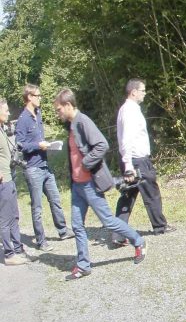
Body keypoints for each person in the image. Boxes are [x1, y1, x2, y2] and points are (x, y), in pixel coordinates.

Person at [54, 88, 146, 280]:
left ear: (68, 105)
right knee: (77, 225)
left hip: (90, 184)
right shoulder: (71, 126)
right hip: (77, 186)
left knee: (108, 221)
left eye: (58, 109)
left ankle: (138, 241)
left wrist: (86, 163)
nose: (58, 113)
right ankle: (83, 265)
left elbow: (102, 144)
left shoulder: (83, 122)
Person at [112, 79, 173, 245]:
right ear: (133, 92)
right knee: (151, 192)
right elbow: (126, 140)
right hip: (136, 160)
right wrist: (129, 166)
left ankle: (118, 234)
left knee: (128, 195)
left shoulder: (128, 109)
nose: (144, 93)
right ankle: (160, 226)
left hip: (132, 159)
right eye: (142, 90)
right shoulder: (129, 111)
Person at [15, 84, 72, 252]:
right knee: (37, 207)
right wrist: (38, 145)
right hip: (33, 169)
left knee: (55, 199)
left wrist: (47, 145)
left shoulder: (38, 114)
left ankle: (62, 230)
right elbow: (21, 145)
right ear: (29, 97)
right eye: (37, 96)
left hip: (45, 166)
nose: (40, 98)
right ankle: (41, 241)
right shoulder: (22, 120)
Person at [0, 99, 35, 266]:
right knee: (5, 219)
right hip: (3, 181)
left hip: (10, 178)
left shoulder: (2, 129)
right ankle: (9, 254)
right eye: (5, 110)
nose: (8, 113)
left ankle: (18, 249)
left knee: (14, 216)